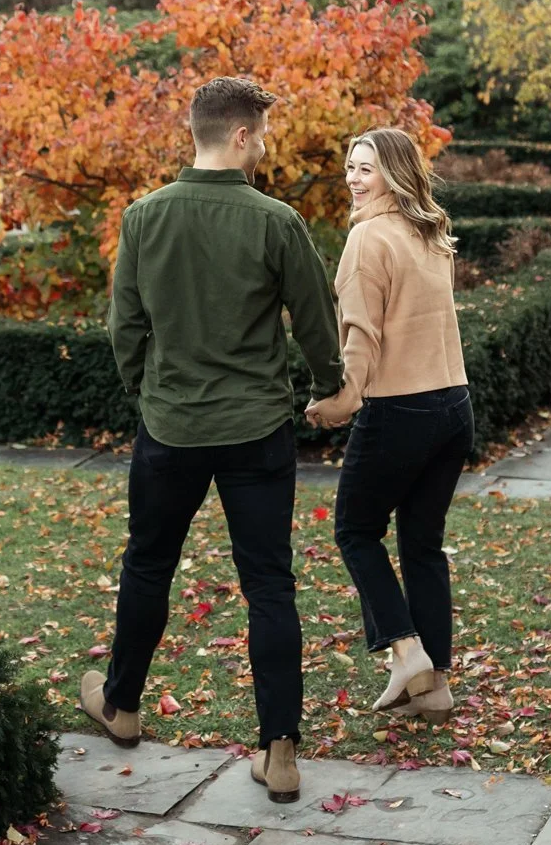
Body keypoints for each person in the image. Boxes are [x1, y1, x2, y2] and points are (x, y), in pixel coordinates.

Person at [84, 75, 344, 804]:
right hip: (257, 428)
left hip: (170, 427)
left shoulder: (143, 217)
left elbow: (124, 328)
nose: (264, 145)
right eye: (259, 133)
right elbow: (315, 320)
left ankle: (123, 706)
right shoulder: (275, 221)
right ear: (237, 136)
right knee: (269, 582)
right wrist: (330, 386)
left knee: (148, 562)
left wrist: (148, 390)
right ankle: (279, 749)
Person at [304, 126, 470, 725]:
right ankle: (436, 687)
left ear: (393, 173)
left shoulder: (368, 240)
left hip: (399, 410)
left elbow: (360, 335)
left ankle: (406, 652)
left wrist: (341, 402)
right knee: (422, 544)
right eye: (350, 166)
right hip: (454, 406)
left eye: (366, 168)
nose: (353, 177)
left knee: (354, 530)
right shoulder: (430, 234)